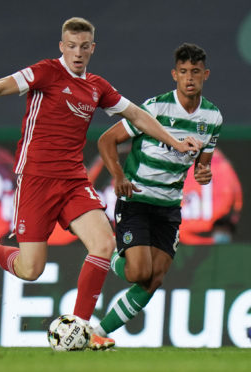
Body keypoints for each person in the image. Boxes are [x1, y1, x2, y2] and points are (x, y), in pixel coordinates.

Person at [0, 19, 199, 349]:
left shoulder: (97, 87)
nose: (78, 53)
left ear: (93, 48)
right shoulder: (46, 73)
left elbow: (137, 116)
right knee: (30, 269)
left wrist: (175, 142)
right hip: (36, 179)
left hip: (72, 180)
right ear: (61, 47)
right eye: (72, 46)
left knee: (103, 244)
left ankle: (83, 327)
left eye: (84, 47)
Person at [93, 43, 222, 347]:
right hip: (137, 199)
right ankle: (113, 257)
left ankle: (98, 332)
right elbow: (106, 140)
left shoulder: (212, 118)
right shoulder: (155, 108)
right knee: (138, 271)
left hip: (168, 208)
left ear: (206, 75)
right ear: (174, 75)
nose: (190, 78)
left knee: (154, 278)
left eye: (196, 72)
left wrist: (205, 174)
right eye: (184, 72)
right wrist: (118, 176)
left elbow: (202, 167)